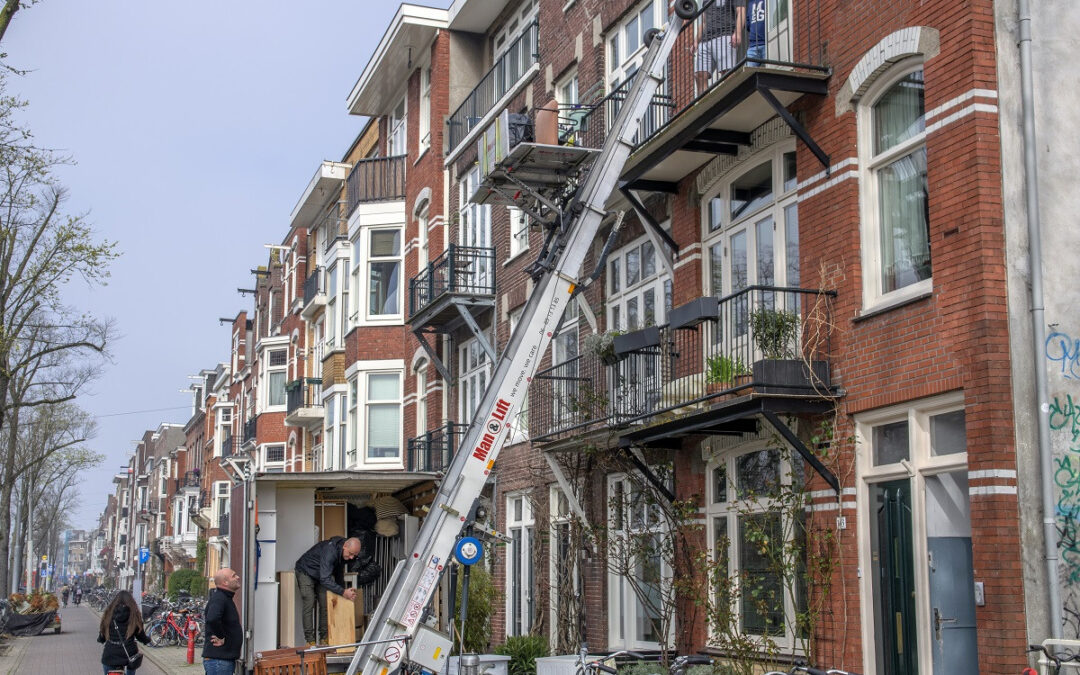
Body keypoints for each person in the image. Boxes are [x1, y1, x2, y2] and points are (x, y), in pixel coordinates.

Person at [294, 536, 381, 646]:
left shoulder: (344, 554)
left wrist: (343, 592)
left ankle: (324, 639)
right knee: (309, 601)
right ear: (345, 546)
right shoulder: (330, 551)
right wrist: (343, 592)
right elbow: (325, 579)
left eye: (354, 555)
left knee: (325, 603)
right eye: (350, 554)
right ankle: (310, 641)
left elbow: (338, 573)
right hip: (306, 571)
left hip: (321, 574)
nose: (351, 557)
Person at [98, 590, 150, 675]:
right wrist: (146, 640)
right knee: (131, 668)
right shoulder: (134, 615)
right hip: (129, 653)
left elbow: (102, 633)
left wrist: (100, 639)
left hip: (110, 654)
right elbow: (140, 635)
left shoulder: (108, 614)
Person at [203, 568, 243, 675]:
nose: (237, 577)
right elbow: (212, 618)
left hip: (222, 661)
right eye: (234, 576)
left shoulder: (224, 598)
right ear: (225, 582)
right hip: (219, 661)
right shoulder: (220, 598)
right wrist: (221, 636)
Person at [694, 0, 739, 93]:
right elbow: (704, 22)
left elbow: (741, 11)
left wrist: (737, 33)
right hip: (705, 39)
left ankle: (730, 101)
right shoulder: (705, 1)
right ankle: (705, 105)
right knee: (699, 75)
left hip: (724, 35)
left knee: (727, 73)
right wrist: (696, 41)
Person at [733, 0, 767, 66]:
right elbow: (748, 23)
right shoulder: (751, 3)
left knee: (772, 70)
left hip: (767, 42)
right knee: (748, 71)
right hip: (753, 45)